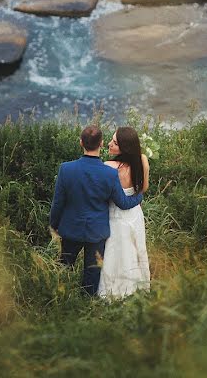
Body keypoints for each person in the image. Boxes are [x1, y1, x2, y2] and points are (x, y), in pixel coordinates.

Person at [49, 125, 143, 296]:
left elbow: (58, 203)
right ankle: (87, 303)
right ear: (100, 143)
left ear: (80, 143)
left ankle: (56, 296)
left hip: (70, 229)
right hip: (96, 232)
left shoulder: (66, 169)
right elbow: (122, 203)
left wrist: (54, 225)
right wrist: (139, 196)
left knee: (62, 267)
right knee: (92, 273)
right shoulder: (109, 173)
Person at [99, 127, 151, 298]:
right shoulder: (142, 160)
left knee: (115, 251)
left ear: (125, 147)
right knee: (136, 249)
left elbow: (104, 195)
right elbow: (144, 188)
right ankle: (138, 287)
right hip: (135, 214)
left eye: (114, 143)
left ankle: (113, 290)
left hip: (115, 213)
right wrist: (136, 197)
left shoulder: (109, 166)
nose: (109, 144)